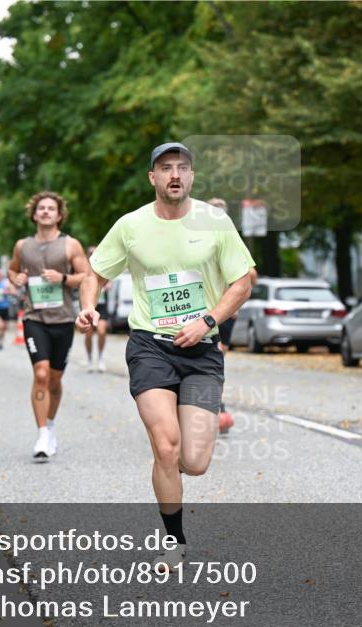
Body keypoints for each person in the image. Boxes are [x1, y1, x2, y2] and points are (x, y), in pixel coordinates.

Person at [78, 142, 255, 571]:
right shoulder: (131, 225)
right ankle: (174, 542)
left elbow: (242, 282)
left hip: (202, 350)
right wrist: (88, 306)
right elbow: (94, 273)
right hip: (150, 346)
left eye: (182, 167)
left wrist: (207, 322)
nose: (174, 174)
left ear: (191, 176)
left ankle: (176, 472)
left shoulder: (215, 223)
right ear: (152, 177)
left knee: (195, 461)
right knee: (166, 446)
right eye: (165, 168)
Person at [8, 191, 92, 459]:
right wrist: (16, 279)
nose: (45, 211)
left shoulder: (70, 245)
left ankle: (51, 425)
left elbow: (86, 276)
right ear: (34, 215)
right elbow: (12, 270)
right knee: (41, 374)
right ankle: (42, 433)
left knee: (55, 380)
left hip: (63, 319)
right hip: (34, 318)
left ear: (59, 215)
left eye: (50, 208)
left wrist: (63, 278)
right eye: (41, 208)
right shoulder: (22, 245)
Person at [205, 199, 258, 433]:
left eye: (222, 213)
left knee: (216, 357)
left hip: (224, 313)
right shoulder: (198, 237)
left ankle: (216, 404)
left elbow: (251, 274)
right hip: (200, 311)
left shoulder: (229, 237)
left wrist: (232, 288)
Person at [83, 246, 110, 373]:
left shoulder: (103, 269)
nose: (93, 255)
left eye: (95, 253)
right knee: (88, 334)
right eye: (91, 253)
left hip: (101, 305)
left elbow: (110, 282)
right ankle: (89, 359)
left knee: (101, 331)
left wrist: (107, 285)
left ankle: (100, 357)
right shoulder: (84, 270)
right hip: (88, 306)